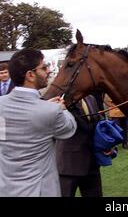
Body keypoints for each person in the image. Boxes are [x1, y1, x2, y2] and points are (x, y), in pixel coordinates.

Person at [0, 49, 77, 197]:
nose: (48, 71)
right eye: (43, 67)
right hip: (40, 191)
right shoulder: (51, 111)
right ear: (30, 75)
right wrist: (61, 109)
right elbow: (69, 129)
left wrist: (45, 107)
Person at [56, 94, 103, 197]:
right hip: (68, 165)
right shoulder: (61, 100)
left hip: (92, 164)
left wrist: (107, 141)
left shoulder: (90, 98)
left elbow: (97, 121)